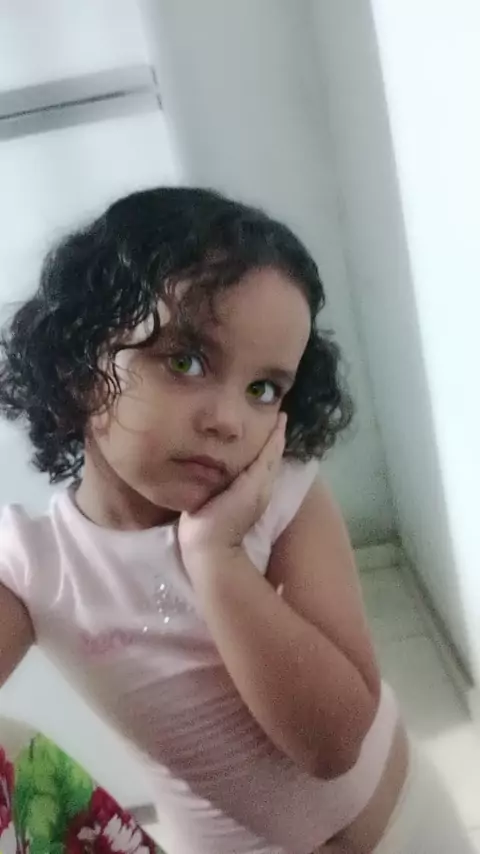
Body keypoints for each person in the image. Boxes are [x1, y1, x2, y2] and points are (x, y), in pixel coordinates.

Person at [0, 187, 473, 854]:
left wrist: (217, 560)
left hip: (404, 821)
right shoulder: (32, 567)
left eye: (263, 389)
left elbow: (335, 744)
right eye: (185, 361)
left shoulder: (284, 500)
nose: (228, 419)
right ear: (80, 367)